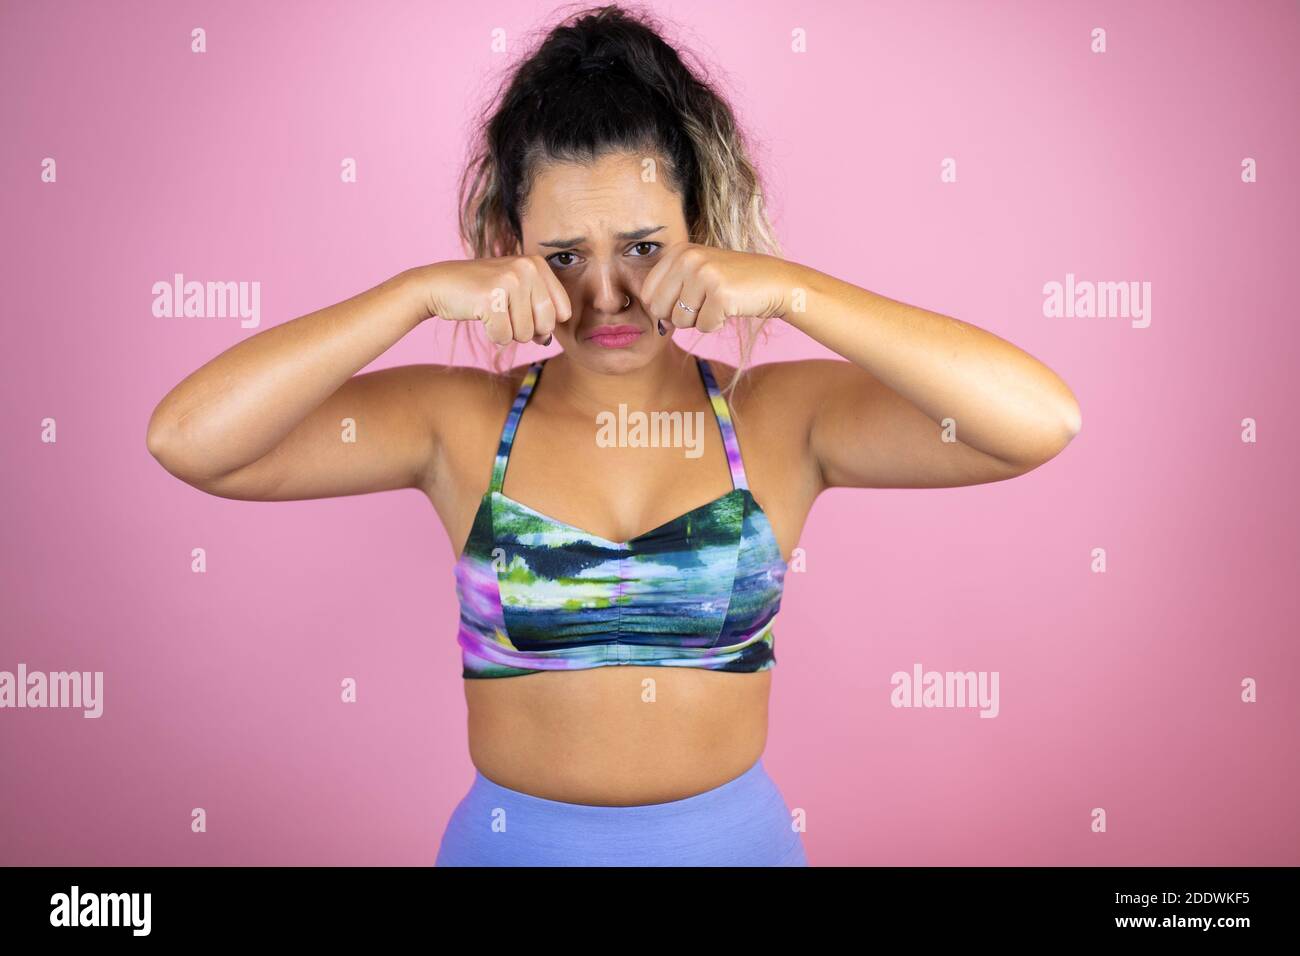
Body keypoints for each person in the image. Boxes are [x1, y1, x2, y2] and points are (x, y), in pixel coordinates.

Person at [145, 4, 1081, 866]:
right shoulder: (457, 422)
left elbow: (1038, 421)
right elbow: (190, 439)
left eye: (642, 246)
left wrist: (796, 291)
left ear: (702, 227)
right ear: (511, 246)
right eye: (563, 257)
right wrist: (412, 295)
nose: (606, 298)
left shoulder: (779, 419)